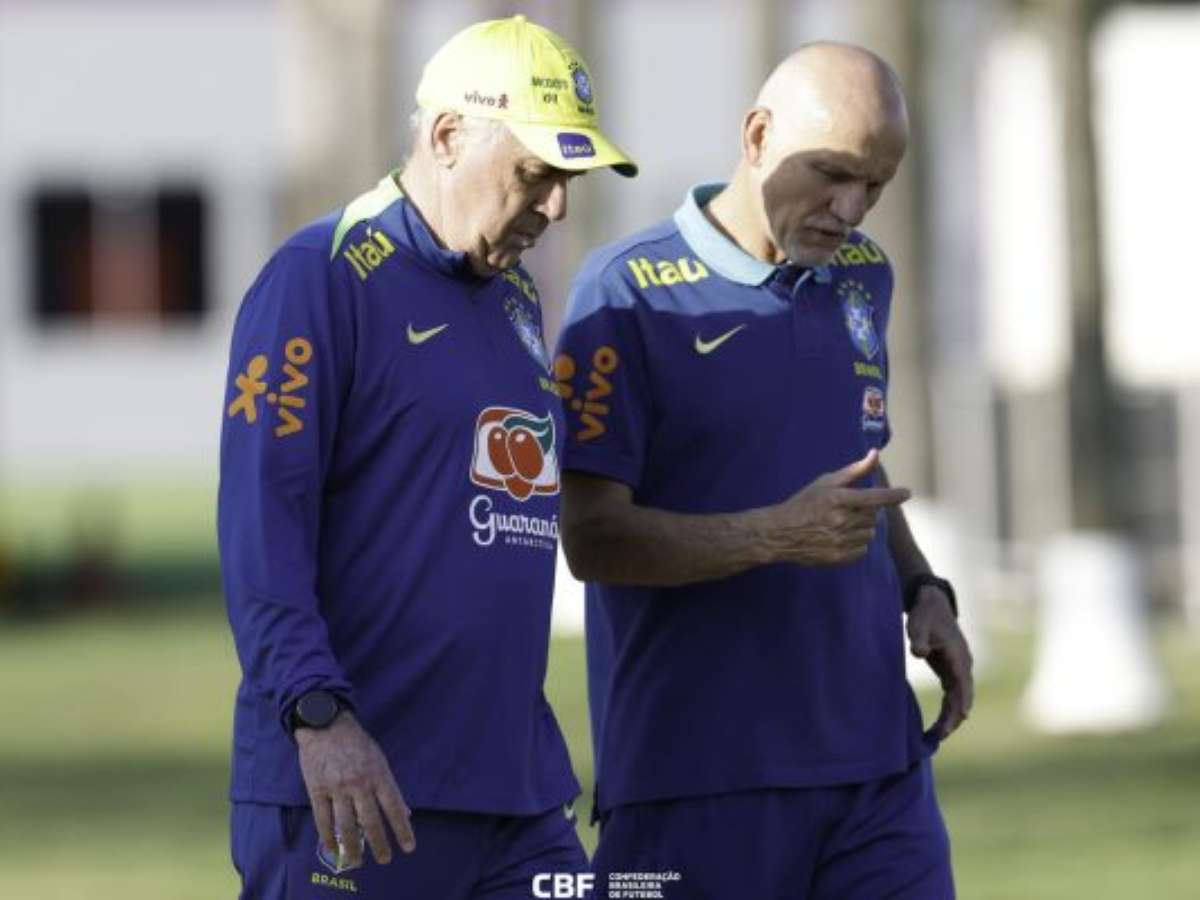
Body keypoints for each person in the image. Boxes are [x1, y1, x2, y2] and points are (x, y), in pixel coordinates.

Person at [218, 15, 636, 899]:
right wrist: (318, 715)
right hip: (355, 792)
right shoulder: (320, 276)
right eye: (536, 173)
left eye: (568, 180)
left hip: (515, 796)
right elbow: (261, 527)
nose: (557, 206)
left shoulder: (515, 296)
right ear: (447, 136)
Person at [555, 42, 972, 899]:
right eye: (833, 173)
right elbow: (592, 539)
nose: (851, 209)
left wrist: (923, 588)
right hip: (696, 778)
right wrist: (774, 536)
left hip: (878, 771)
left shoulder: (864, 277)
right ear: (757, 136)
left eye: (876, 184)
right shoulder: (626, 293)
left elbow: (857, 457)